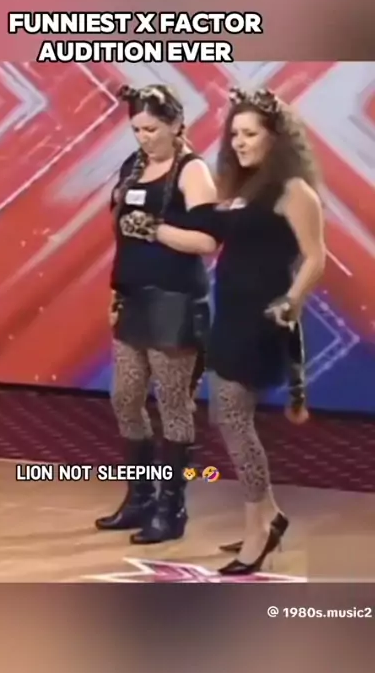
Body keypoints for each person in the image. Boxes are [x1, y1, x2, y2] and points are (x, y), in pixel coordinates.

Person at [120, 87, 326, 574]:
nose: (239, 142)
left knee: (232, 419)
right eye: (234, 134)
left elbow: (315, 257)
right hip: (229, 313)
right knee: (227, 418)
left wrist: (292, 301)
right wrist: (155, 224)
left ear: (276, 137)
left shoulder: (295, 191)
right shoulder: (245, 189)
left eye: (250, 134)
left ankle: (260, 528)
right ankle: (268, 517)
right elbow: (207, 227)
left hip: (261, 319)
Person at [95, 83, 216, 544]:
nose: (144, 138)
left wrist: (158, 230)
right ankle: (140, 497)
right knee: (125, 398)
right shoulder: (134, 165)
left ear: (176, 124)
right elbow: (123, 235)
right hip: (133, 298)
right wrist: (116, 291)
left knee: (172, 405)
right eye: (137, 130)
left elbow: (207, 241)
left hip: (175, 304)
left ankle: (171, 509)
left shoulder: (193, 171)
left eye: (152, 129)